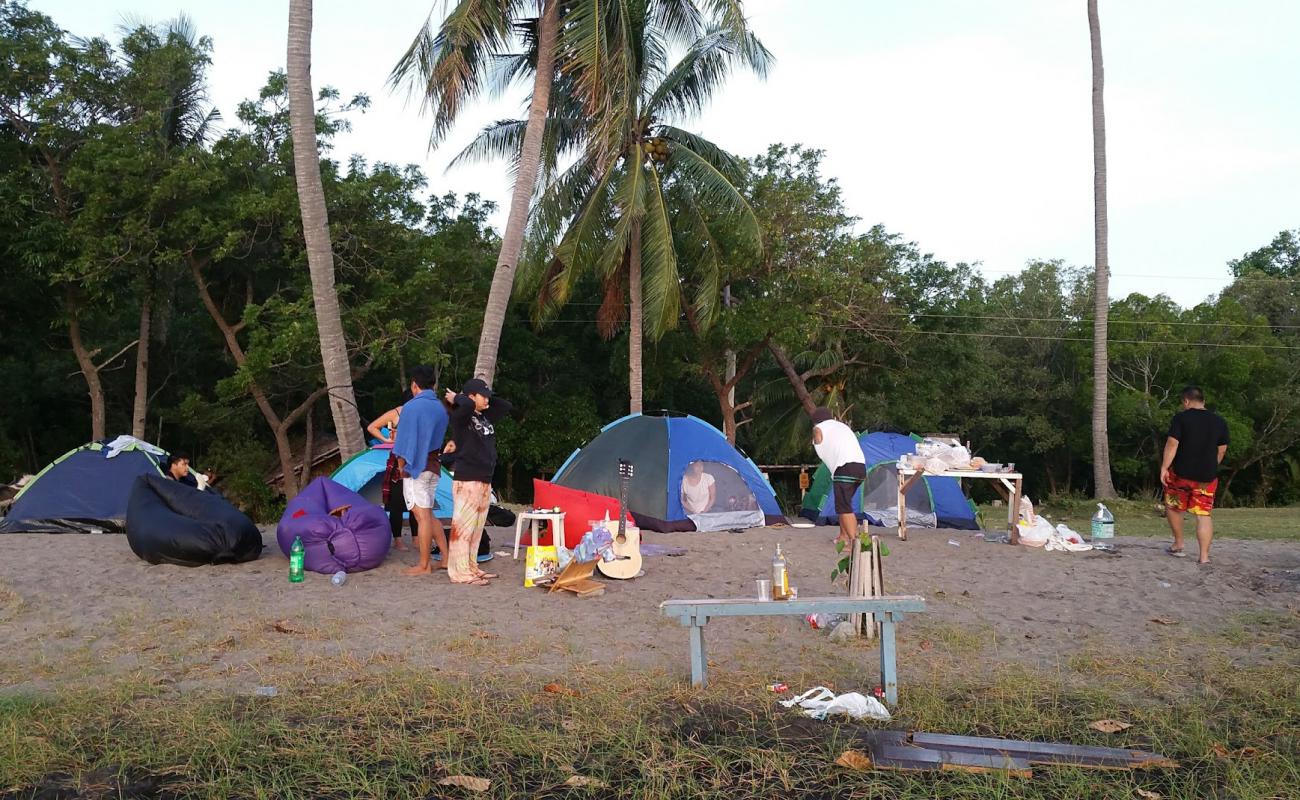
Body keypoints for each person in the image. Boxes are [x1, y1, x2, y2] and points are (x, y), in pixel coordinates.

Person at [443, 378, 513, 586]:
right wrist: (458, 398)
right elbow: (464, 405)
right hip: (468, 478)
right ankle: (459, 573)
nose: (488, 399)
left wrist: (484, 398)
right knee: (463, 528)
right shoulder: (461, 417)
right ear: (471, 397)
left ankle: (471, 567)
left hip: (484, 479)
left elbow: (505, 405)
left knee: (476, 527)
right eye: (482, 395)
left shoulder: (484, 416)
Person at [392, 365, 451, 576]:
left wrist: (400, 466)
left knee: (421, 515)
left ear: (414, 385)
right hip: (434, 465)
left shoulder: (411, 407)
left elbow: (404, 442)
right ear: (433, 384)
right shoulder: (441, 408)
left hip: (417, 466)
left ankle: (424, 565)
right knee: (428, 513)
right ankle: (445, 558)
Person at [1161, 385, 1229, 564]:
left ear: (1186, 400)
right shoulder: (1219, 421)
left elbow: (1172, 443)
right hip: (1207, 478)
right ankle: (1204, 557)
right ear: (1203, 401)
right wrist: (1211, 466)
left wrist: (1164, 467)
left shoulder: (1181, 418)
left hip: (1181, 475)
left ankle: (1178, 543)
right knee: (1203, 514)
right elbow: (1221, 450)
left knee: (1174, 506)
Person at [810, 407, 867, 546]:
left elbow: (818, 439)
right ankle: (843, 536)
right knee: (843, 503)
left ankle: (855, 543)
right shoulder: (842, 426)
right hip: (860, 468)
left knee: (844, 507)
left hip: (844, 468)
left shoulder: (819, 428)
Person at [370, 404, 413, 550]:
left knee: (415, 503)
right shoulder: (395, 414)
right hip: (397, 460)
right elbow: (372, 427)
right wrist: (387, 440)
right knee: (397, 503)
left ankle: (416, 538)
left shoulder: (418, 415)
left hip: (413, 459)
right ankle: (398, 540)